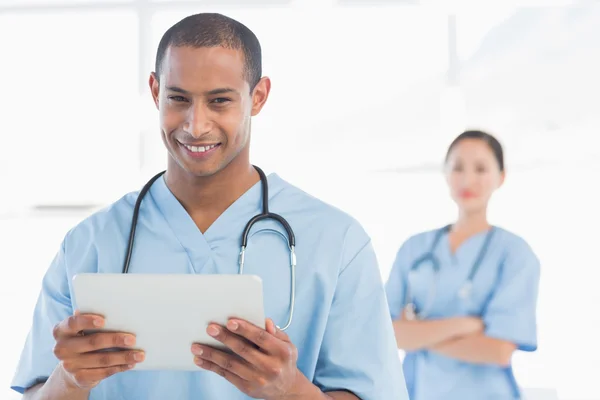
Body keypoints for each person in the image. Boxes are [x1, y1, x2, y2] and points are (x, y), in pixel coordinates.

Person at [11, 13, 408, 400]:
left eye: (219, 101)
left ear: (258, 96)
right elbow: (38, 393)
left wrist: (289, 391)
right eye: (178, 99)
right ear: (154, 91)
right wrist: (70, 381)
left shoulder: (335, 242)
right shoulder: (89, 243)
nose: (195, 125)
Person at [385, 130, 541, 399]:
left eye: (481, 169)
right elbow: (387, 334)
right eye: (458, 167)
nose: (468, 179)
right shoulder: (415, 248)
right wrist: (464, 325)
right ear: (445, 174)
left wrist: (417, 335)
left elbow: (498, 351)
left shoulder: (515, 254)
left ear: (500, 177)